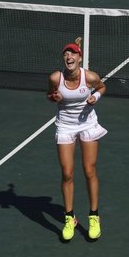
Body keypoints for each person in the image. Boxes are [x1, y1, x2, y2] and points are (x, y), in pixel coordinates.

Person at [47, 37, 107, 240]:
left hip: (87, 124)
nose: (69, 56)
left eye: (72, 53)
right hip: (65, 126)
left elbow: (102, 87)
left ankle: (94, 216)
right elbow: (49, 94)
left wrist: (94, 98)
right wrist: (53, 98)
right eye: (66, 54)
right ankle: (69, 217)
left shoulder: (89, 77)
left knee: (89, 171)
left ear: (79, 58)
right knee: (67, 173)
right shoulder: (56, 78)